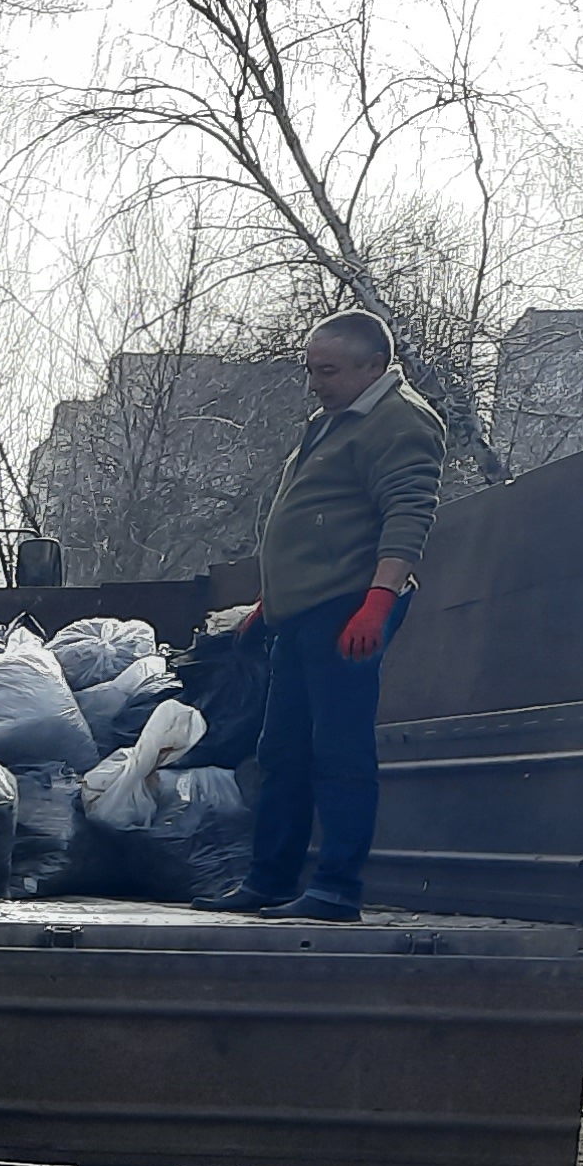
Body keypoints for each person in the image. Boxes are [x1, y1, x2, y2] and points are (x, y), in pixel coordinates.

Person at [206, 309, 446, 923]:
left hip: (347, 612)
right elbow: (317, 518)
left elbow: (408, 515)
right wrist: (272, 598)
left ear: (375, 366)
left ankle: (336, 889)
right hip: (303, 613)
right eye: (311, 369)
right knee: (281, 749)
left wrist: (379, 600)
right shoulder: (332, 422)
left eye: (329, 370)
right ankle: (270, 879)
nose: (315, 382)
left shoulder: (401, 422)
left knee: (339, 750)